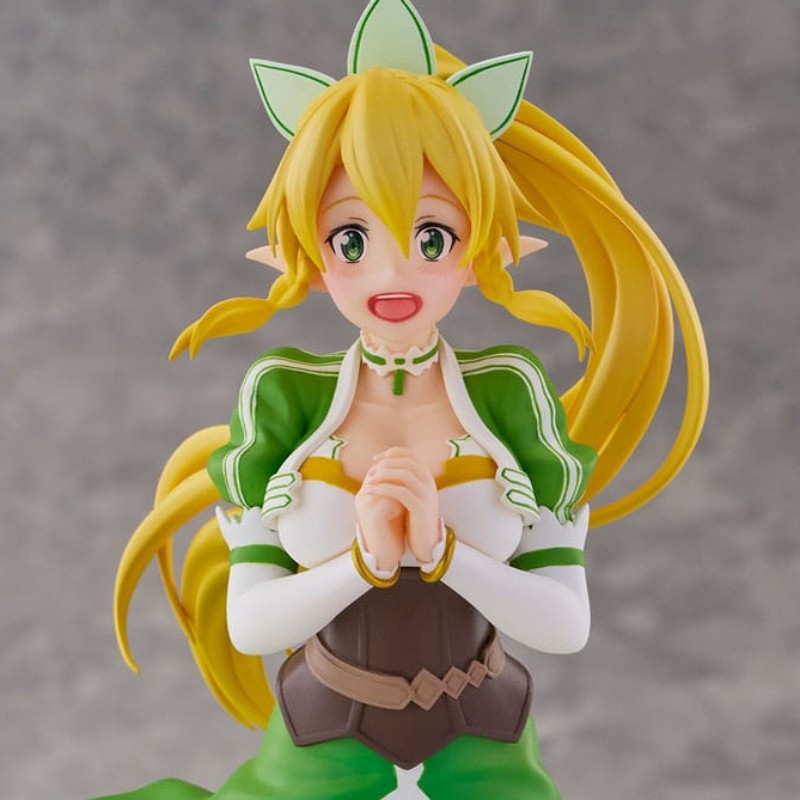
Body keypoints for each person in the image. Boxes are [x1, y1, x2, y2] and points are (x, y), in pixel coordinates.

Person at [104, 1, 709, 798]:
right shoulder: (284, 398)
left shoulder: (511, 397)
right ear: (309, 253)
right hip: (321, 746)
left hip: (486, 742)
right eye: (352, 239)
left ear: (482, 248)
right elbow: (252, 624)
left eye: (431, 238)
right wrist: (364, 563)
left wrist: (445, 553)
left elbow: (565, 624)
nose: (392, 276)